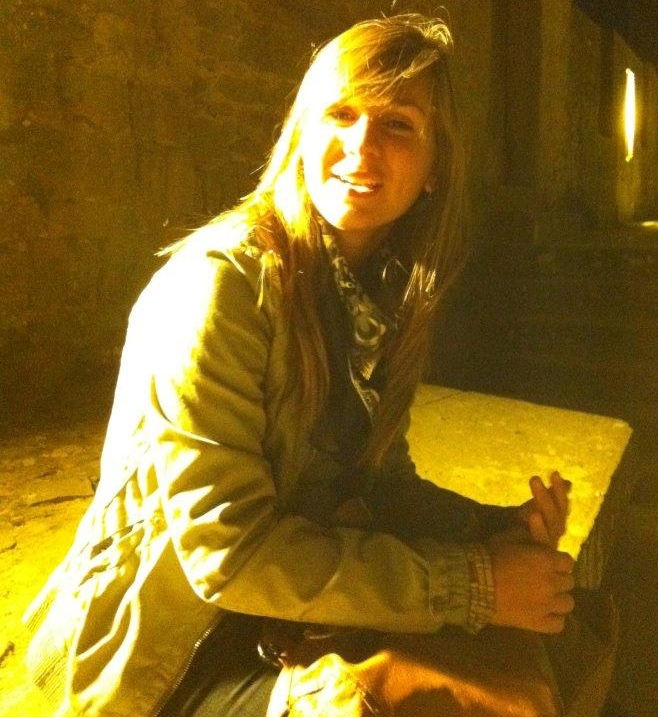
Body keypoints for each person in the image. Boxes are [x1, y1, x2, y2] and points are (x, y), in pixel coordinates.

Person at [24, 13, 575, 717]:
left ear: (436, 168)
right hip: (173, 649)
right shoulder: (221, 288)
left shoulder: (377, 293)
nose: (360, 147)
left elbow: (380, 479)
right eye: (340, 114)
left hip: (282, 616)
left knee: (554, 641)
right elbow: (228, 552)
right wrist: (472, 585)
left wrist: (490, 530)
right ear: (301, 133)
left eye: (398, 124)